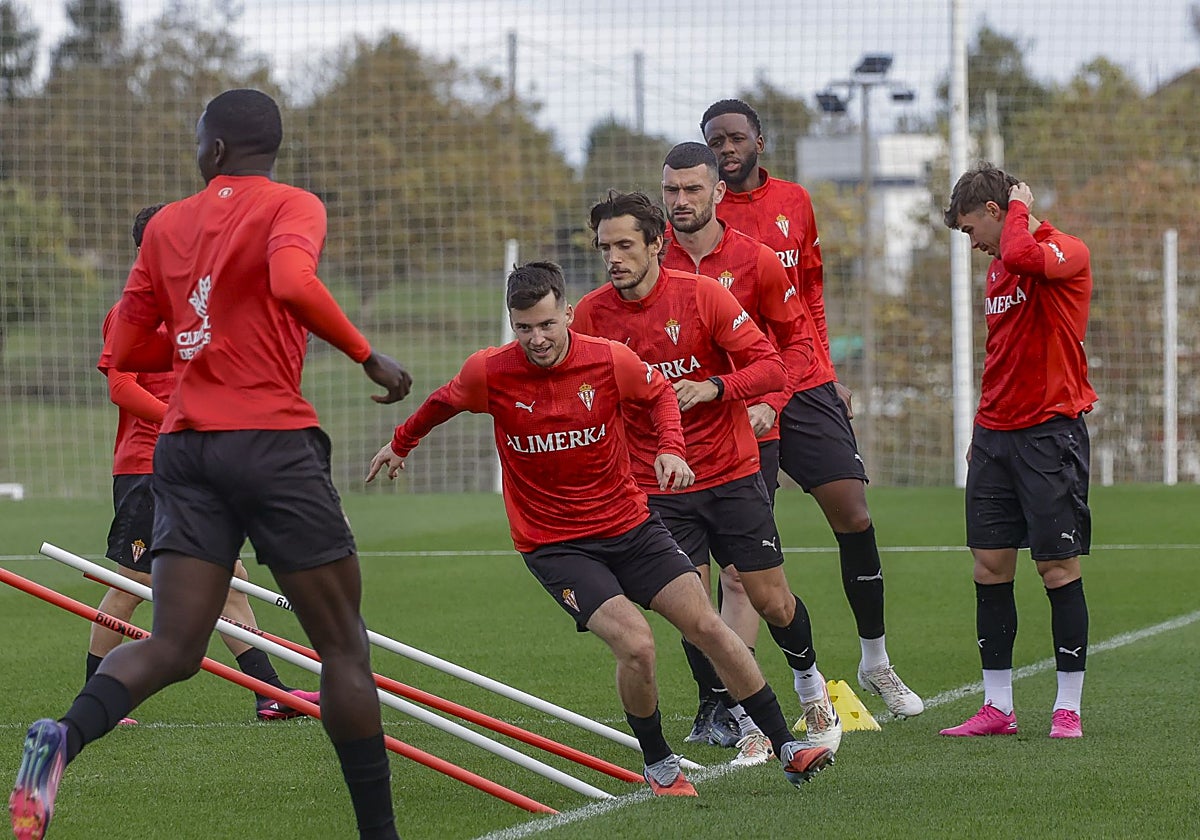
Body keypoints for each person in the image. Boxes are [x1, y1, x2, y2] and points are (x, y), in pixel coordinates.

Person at [10, 89, 411, 840]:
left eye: (198, 139)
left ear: (217, 148)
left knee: (172, 645)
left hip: (184, 450)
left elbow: (127, 350)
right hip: (270, 440)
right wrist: (367, 355)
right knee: (343, 649)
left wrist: (198, 330)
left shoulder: (166, 224)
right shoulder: (293, 205)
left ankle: (62, 736)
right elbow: (292, 282)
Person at [367, 261, 834, 795]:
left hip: (631, 526)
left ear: (568, 314)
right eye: (524, 328)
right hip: (556, 545)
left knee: (707, 625)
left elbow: (660, 395)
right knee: (637, 645)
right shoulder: (489, 371)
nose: (537, 339)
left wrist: (670, 449)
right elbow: (440, 403)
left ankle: (787, 747)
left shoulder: (610, 359)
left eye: (547, 324)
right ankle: (659, 763)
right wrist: (401, 444)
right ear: (512, 324)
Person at [574, 184, 842, 767]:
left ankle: (811, 686)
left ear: (656, 244)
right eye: (604, 248)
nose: (613, 258)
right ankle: (746, 722)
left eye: (624, 245)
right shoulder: (591, 315)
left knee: (772, 601)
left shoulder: (702, 296)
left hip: (730, 472)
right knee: (694, 615)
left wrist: (715, 387)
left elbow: (771, 367)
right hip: (659, 487)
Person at [700, 98, 923, 718]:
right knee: (742, 563)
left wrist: (828, 370)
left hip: (804, 381)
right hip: (741, 393)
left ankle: (876, 662)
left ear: (760, 141)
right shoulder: (700, 219)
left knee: (853, 512)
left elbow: (811, 294)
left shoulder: (794, 201)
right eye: (715, 141)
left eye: (736, 137)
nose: (727, 148)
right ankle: (733, 706)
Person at [89, 203, 319, 725]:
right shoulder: (131, 313)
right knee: (132, 584)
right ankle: (95, 700)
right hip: (149, 468)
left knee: (229, 577)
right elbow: (120, 386)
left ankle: (269, 693)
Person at [656, 141, 819, 745]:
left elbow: (797, 346)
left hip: (747, 442)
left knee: (746, 582)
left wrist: (770, 402)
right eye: (671, 190)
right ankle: (720, 707)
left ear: (718, 192)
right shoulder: (647, 260)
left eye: (692, 189)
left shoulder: (757, 260)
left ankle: (794, 692)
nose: (680, 201)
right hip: (670, 454)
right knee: (686, 592)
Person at [939, 164, 1095, 739]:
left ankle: (1067, 708)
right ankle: (998, 707)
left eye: (971, 230)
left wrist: (1021, 209)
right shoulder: (999, 269)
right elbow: (1000, 354)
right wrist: (980, 430)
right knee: (989, 566)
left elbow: (1026, 255)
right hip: (995, 436)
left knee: (1056, 569)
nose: (972, 244)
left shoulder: (1064, 251)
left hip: (1049, 434)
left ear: (996, 211)